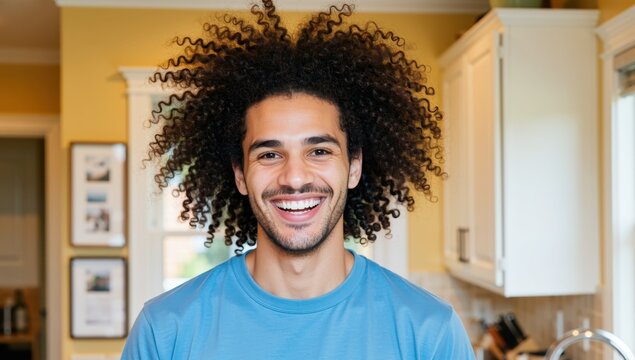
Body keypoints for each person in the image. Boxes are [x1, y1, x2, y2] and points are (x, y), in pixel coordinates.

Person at [121, 1, 475, 358]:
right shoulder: (166, 331)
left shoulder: (430, 332)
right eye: (269, 154)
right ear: (241, 175)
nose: (294, 177)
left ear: (354, 166)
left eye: (319, 151)